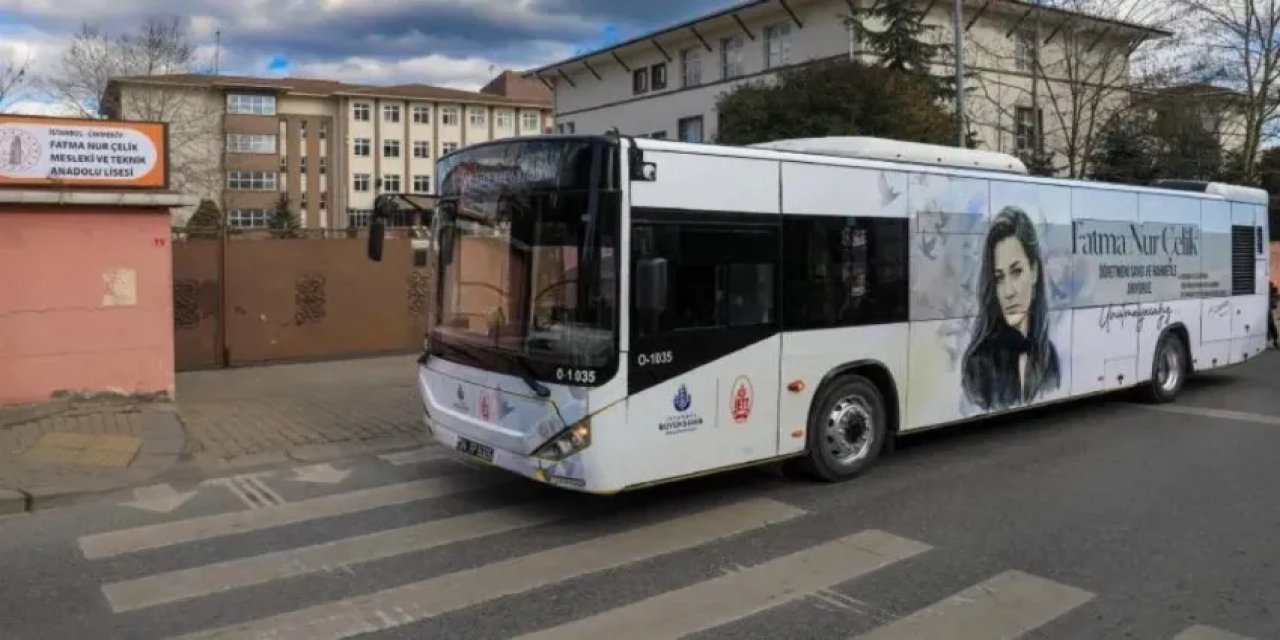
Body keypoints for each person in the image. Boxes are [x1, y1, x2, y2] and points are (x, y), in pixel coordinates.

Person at [962, 206, 1061, 411]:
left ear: (1033, 272)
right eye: (999, 278)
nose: (1008, 291)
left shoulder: (1048, 356)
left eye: (1016, 272)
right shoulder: (978, 365)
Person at [1269, 282, 1278, 349]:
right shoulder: (1270, 297)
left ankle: (1275, 342)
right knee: (1273, 329)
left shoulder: (1272, 296)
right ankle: (1275, 342)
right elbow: (1274, 306)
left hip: (1269, 315)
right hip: (1269, 315)